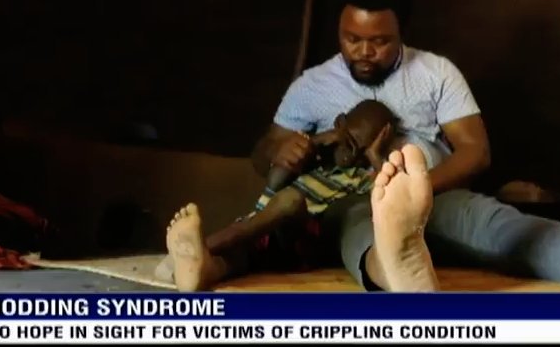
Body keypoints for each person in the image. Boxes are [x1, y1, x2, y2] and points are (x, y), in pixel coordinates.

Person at [168, 0, 560, 292]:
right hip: (343, 204)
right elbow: (264, 152)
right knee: (360, 225)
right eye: (352, 39)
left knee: (495, 223)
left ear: (400, 32)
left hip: (434, 189)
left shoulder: (435, 73)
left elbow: (475, 152)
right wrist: (277, 149)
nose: (364, 51)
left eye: (379, 41)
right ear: (340, 32)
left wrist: (419, 188)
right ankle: (397, 263)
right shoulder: (311, 86)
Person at [161, 99, 399, 291]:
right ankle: (201, 270)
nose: (352, 155)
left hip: (302, 243)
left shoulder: (362, 179)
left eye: (362, 151)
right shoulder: (312, 160)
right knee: (242, 256)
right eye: (350, 142)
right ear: (339, 124)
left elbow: (388, 197)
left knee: (290, 200)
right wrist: (319, 140)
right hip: (259, 231)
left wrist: (376, 157)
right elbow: (277, 173)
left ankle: (206, 245)